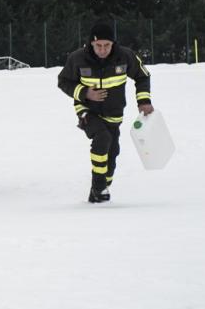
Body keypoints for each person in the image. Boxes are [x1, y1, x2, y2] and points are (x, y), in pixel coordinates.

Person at [57, 21, 152, 204]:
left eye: (106, 45)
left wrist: (144, 101)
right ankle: (99, 187)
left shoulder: (125, 56)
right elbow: (63, 81)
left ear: (113, 43)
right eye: (98, 45)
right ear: (91, 43)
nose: (102, 50)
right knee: (102, 138)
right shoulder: (77, 58)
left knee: (112, 154)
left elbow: (143, 75)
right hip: (87, 111)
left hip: (114, 114)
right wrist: (86, 93)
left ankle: (100, 187)